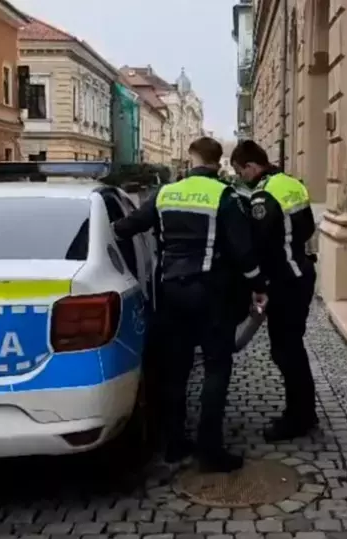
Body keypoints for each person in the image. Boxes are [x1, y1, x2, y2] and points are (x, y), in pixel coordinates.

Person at [114, 137, 268, 473]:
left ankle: (174, 443)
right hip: (212, 293)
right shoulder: (225, 196)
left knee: (176, 368)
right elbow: (243, 251)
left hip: (171, 292)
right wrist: (258, 285)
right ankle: (210, 451)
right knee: (216, 366)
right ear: (217, 161)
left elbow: (126, 227)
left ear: (192, 157)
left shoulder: (166, 193)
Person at [230, 140, 318, 442]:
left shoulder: (263, 196)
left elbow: (260, 244)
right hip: (301, 272)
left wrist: (256, 282)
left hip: (285, 282)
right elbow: (308, 228)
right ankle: (305, 411)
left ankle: (299, 418)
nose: (240, 177)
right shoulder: (292, 183)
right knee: (292, 346)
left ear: (251, 166)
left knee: (285, 351)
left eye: (240, 171)